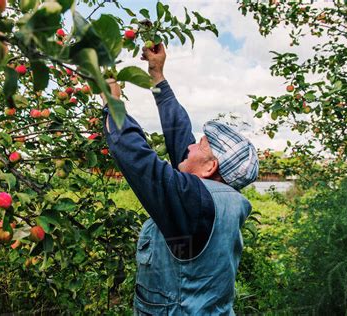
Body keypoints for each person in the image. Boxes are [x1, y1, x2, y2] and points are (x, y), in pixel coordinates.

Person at [102, 43, 259, 315]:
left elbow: (135, 156)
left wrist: (112, 99)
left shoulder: (194, 203)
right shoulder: (217, 198)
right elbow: (180, 135)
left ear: (211, 166)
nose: (189, 147)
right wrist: (156, 75)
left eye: (200, 145)